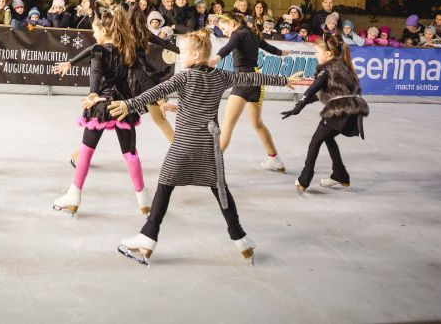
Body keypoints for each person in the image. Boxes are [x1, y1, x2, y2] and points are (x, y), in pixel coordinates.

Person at [112, 28, 301, 266]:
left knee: (165, 187)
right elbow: (251, 77)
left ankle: (148, 237)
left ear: (194, 54)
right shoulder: (222, 76)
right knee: (220, 189)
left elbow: (157, 91)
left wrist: (130, 104)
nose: (180, 57)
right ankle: (240, 238)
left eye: (182, 53)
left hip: (183, 145)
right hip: (209, 147)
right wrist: (284, 80)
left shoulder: (185, 77)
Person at [52, 9, 151, 217]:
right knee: (130, 153)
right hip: (124, 105)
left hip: (102, 104)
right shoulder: (127, 49)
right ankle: (143, 200)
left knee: (86, 151)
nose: (93, 34)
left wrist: (93, 94)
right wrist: (159, 99)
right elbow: (143, 77)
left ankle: (74, 195)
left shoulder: (99, 49)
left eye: (95, 30)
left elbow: (95, 71)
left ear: (104, 30)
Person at [281, 33, 369, 195]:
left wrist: (298, 106)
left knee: (316, 140)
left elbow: (313, 89)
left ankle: (304, 179)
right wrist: (300, 105)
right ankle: (339, 174)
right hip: (353, 110)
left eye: (317, 52)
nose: (315, 55)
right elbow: (320, 94)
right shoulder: (344, 66)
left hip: (340, 110)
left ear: (328, 54)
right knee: (327, 137)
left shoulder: (327, 69)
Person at [211, 12, 290, 173]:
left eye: (225, 28)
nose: (225, 32)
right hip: (256, 81)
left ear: (233, 23)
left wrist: (215, 59)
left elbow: (227, 48)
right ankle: (275, 159)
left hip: (244, 80)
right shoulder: (252, 34)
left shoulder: (237, 33)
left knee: (227, 125)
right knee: (257, 123)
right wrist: (282, 53)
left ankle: (212, 167)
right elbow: (269, 48)